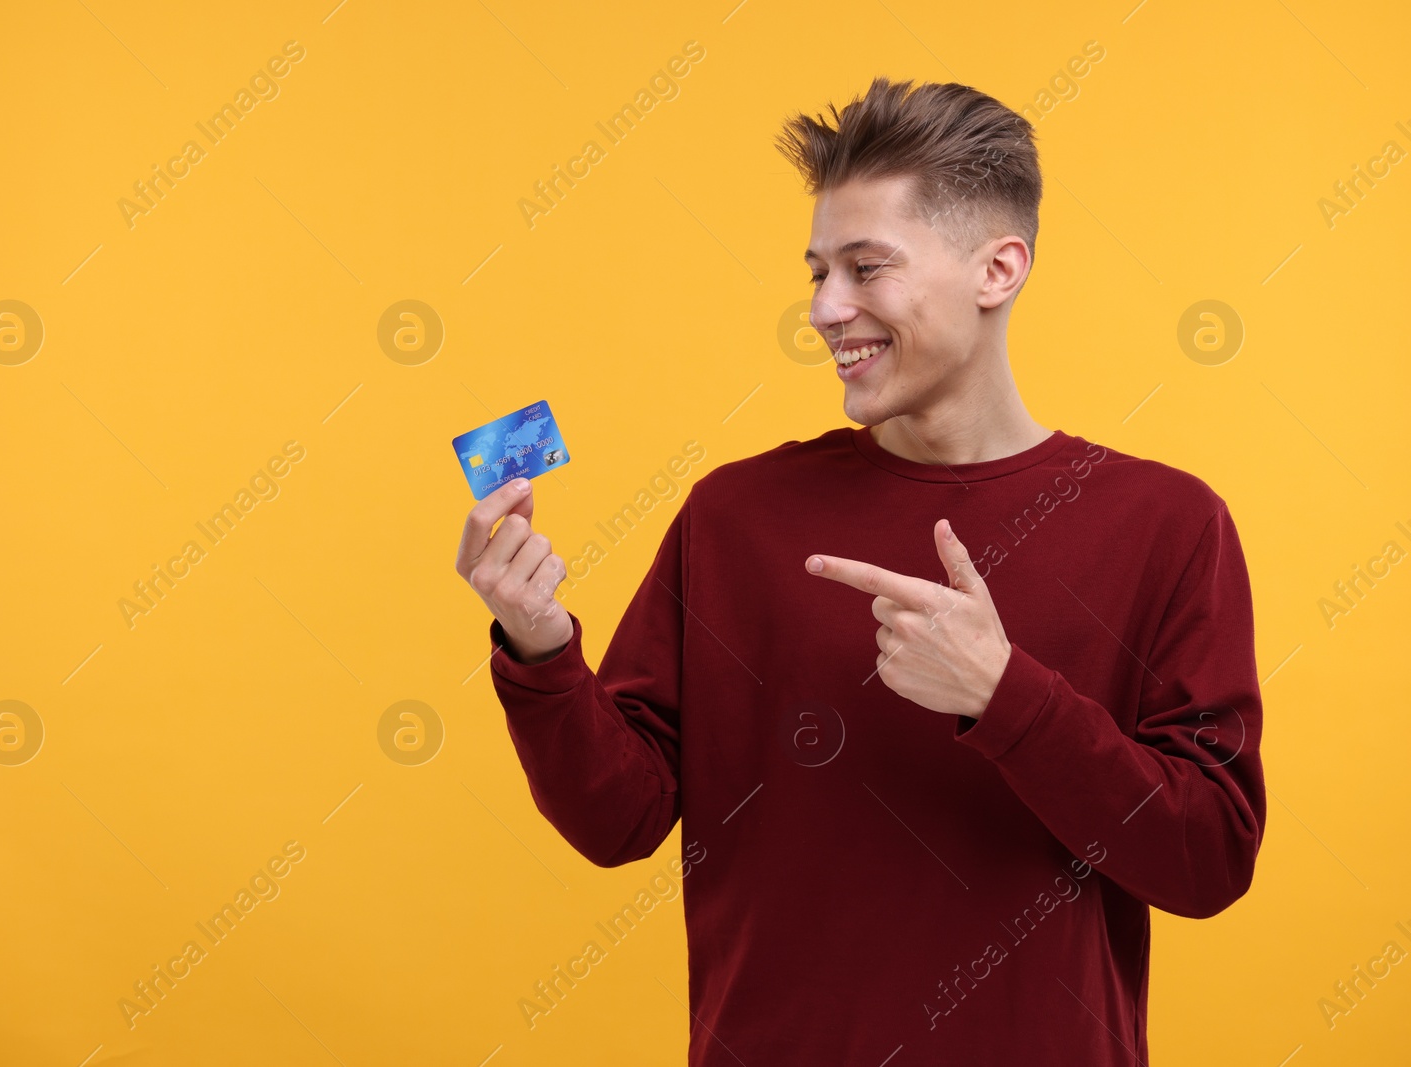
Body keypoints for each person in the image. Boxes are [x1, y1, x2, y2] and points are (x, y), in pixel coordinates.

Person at [454, 75, 1264, 1066]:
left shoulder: (1168, 523)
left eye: (866, 268)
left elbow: (1206, 858)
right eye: (816, 271)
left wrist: (1004, 695)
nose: (824, 308)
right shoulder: (735, 514)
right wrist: (539, 648)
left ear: (996, 268)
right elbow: (618, 817)